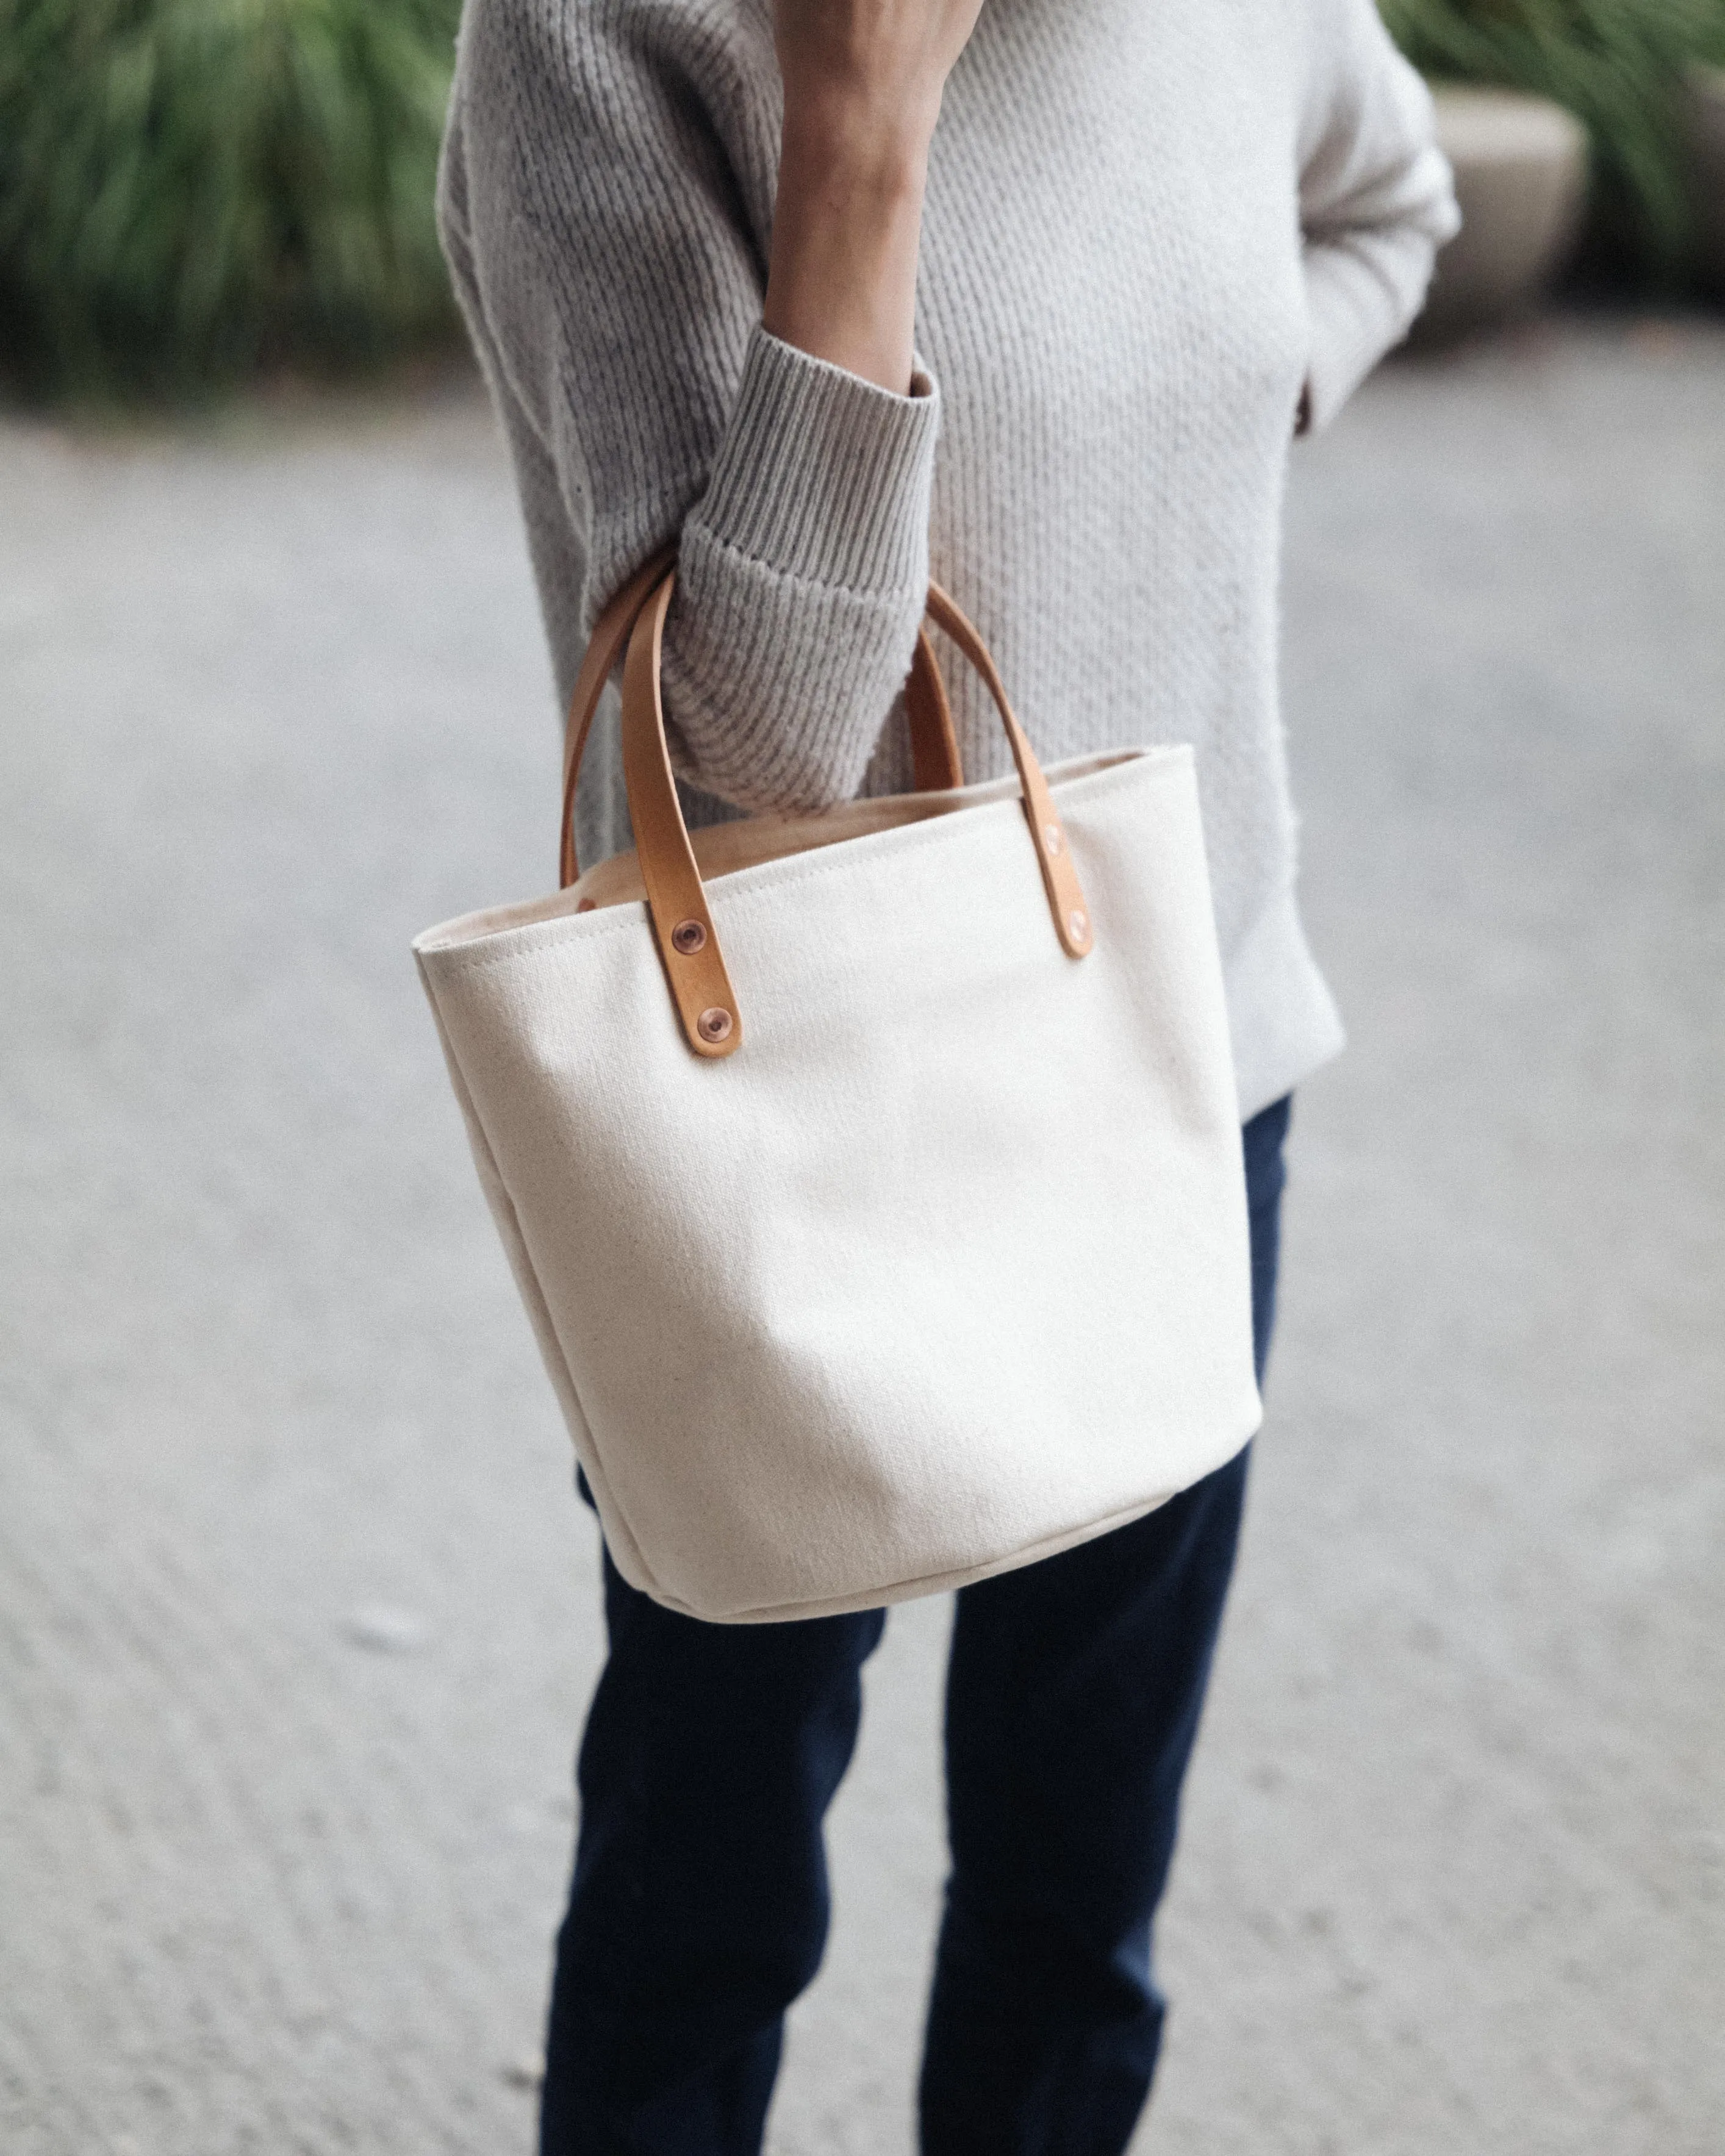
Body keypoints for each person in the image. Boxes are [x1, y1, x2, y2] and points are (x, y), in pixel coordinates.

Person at [436, 1, 1457, 2147]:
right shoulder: (595, 38)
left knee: (1076, 1898)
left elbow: (1392, 199)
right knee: (708, 1880)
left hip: (1182, 1064)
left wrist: (1207, 416)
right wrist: (860, 128)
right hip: (779, 1111)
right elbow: (757, 753)